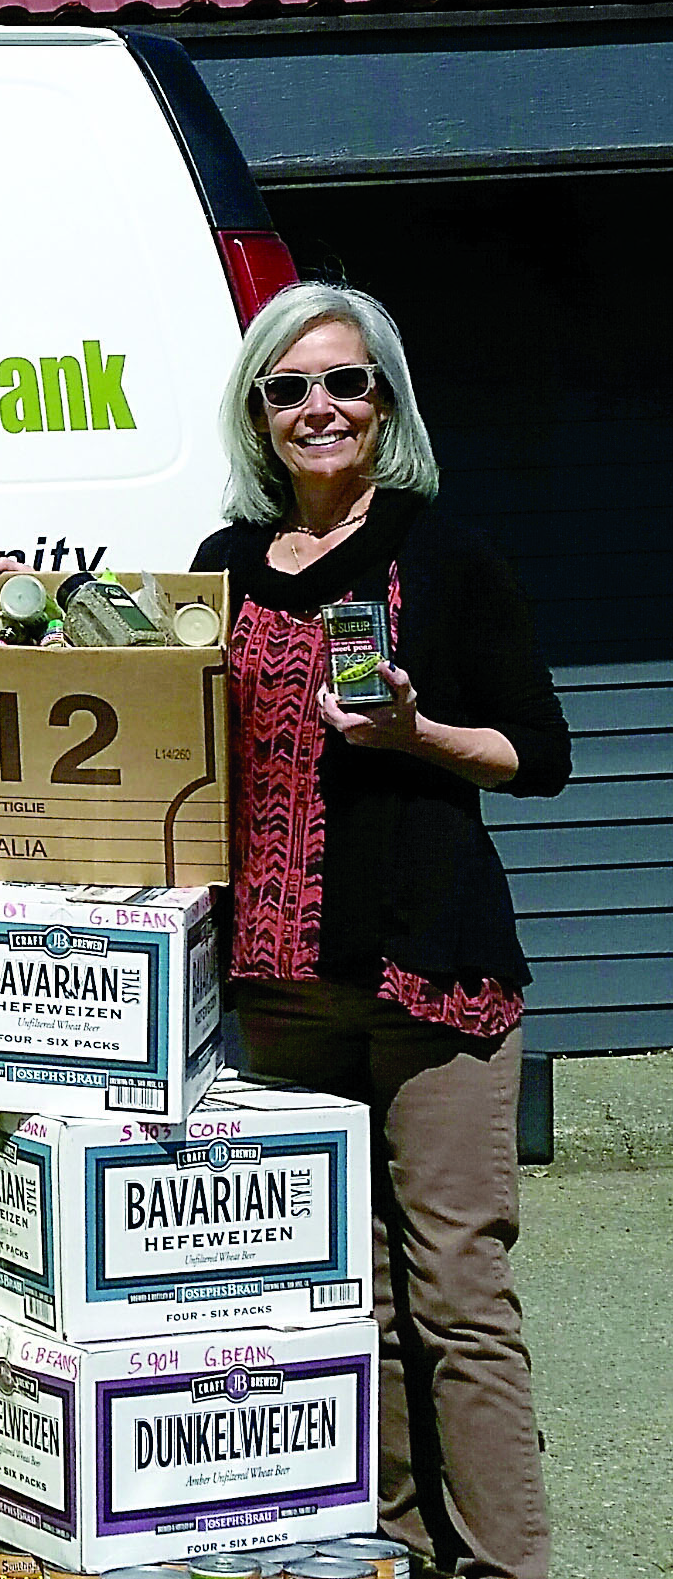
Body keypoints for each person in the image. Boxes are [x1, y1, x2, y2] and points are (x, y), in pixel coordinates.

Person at [194, 280, 568, 1579]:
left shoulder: (446, 555)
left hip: (431, 974)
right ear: (257, 413)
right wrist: (18, 606)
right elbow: (144, 714)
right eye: (288, 388)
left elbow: (539, 755)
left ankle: (505, 1566)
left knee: (457, 1295)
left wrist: (416, 733)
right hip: (281, 985)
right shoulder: (223, 565)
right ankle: (392, 1550)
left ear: (386, 403)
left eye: (345, 383)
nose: (318, 407)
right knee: (345, 1301)